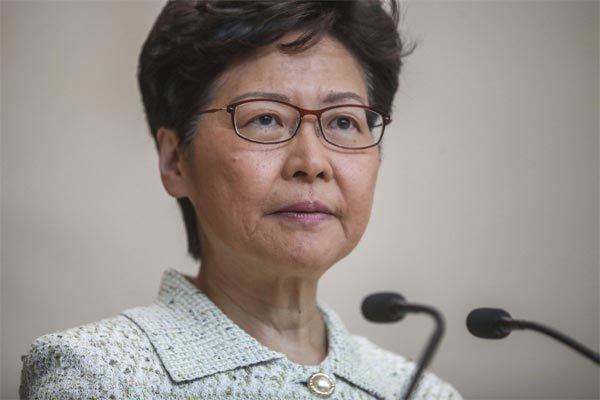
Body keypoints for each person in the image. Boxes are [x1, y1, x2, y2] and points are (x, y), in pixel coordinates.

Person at [19, 1, 463, 399]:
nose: (312, 163)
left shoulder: (420, 391)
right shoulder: (101, 375)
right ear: (175, 161)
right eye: (265, 118)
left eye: (344, 122)